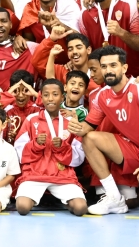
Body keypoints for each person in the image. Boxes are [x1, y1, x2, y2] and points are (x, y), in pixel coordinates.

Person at [68, 46, 139, 217]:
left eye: (113, 65)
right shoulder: (102, 96)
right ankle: (114, 198)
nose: (108, 70)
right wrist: (76, 126)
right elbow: (88, 126)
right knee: (89, 138)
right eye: (104, 66)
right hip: (133, 148)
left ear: (124, 68)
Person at [13, 80, 88, 216]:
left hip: (63, 175)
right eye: (46, 95)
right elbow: (19, 151)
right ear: (41, 98)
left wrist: (63, 147)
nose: (50, 98)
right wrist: (35, 144)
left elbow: (79, 157)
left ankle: (65, 201)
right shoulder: (31, 119)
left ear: (62, 97)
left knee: (80, 208)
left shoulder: (70, 122)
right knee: (22, 207)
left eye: (55, 94)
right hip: (35, 174)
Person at [2, 70, 42, 142]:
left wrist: (35, 94)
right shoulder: (6, 109)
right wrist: (8, 94)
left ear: (31, 90)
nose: (20, 95)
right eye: (15, 91)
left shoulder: (38, 109)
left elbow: (53, 106)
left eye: (26, 90)